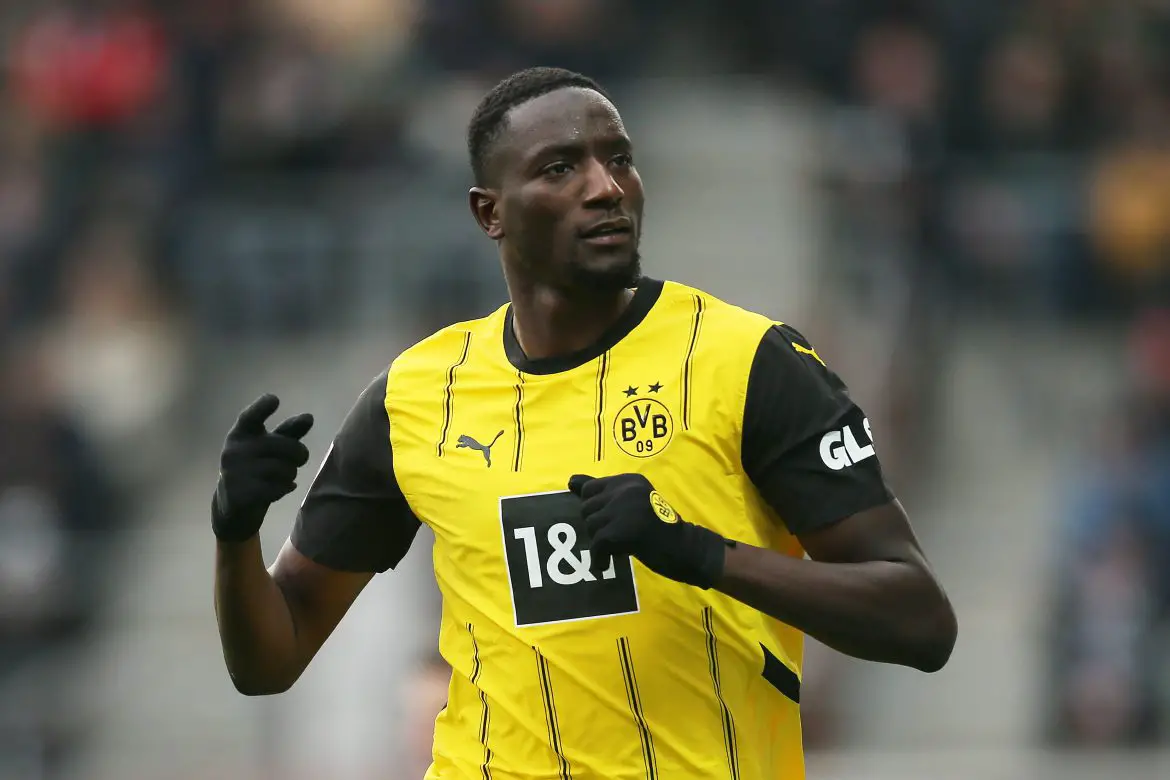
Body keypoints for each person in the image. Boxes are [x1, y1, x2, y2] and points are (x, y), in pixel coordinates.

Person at [211, 67, 958, 779]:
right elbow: (270, 659)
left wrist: (701, 555)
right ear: (489, 212)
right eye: (561, 168)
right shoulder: (414, 399)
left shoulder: (748, 363)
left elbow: (919, 620)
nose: (606, 187)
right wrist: (237, 531)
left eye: (619, 159)